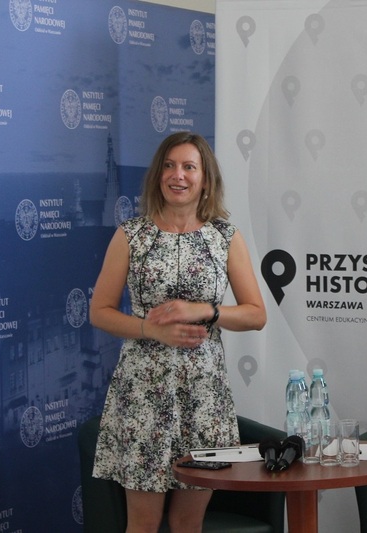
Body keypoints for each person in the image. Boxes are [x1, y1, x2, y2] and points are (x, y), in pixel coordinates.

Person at [90, 131, 266, 533]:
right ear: (157, 175)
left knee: (188, 524)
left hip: (204, 397)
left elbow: (256, 315)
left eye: (189, 167)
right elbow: (99, 312)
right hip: (142, 398)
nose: (178, 175)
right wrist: (149, 329)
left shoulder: (225, 237)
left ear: (205, 179)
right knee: (144, 524)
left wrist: (205, 310)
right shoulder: (131, 235)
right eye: (169, 166)